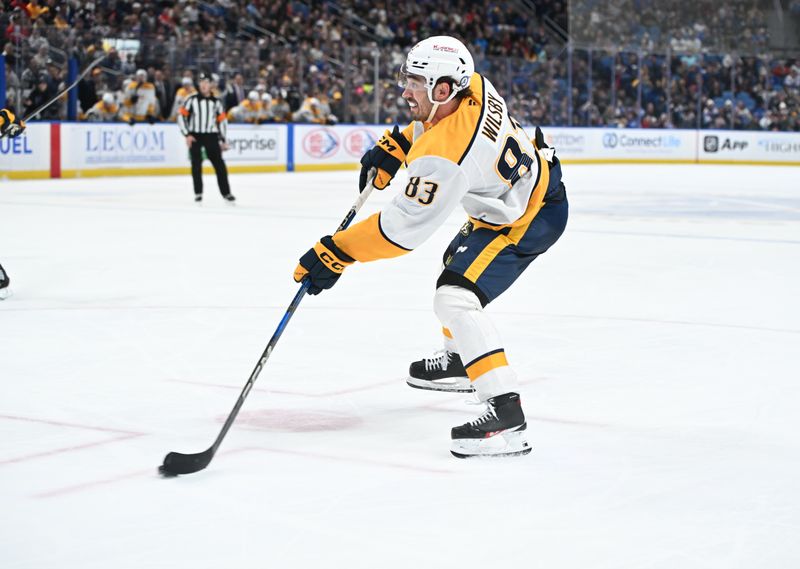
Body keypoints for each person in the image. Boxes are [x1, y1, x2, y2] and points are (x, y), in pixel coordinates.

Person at [293, 36, 568, 459]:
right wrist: (400, 145)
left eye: (415, 83)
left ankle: (506, 414)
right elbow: (436, 121)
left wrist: (337, 251)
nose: (405, 91)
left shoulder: (446, 157)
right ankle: (460, 360)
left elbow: (398, 232)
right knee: (454, 264)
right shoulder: (472, 83)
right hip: (523, 192)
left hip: (527, 218)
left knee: (456, 297)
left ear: (443, 89)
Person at [177, 73, 235, 203]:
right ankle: (198, 193)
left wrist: (223, 139)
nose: (203, 84)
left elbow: (222, 121)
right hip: (195, 136)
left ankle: (226, 193)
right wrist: (187, 134)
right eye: (201, 81)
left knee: (219, 165)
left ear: (211, 85)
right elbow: (181, 116)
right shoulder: (191, 99)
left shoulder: (216, 102)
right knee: (196, 165)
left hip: (211, 136)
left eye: (207, 82)